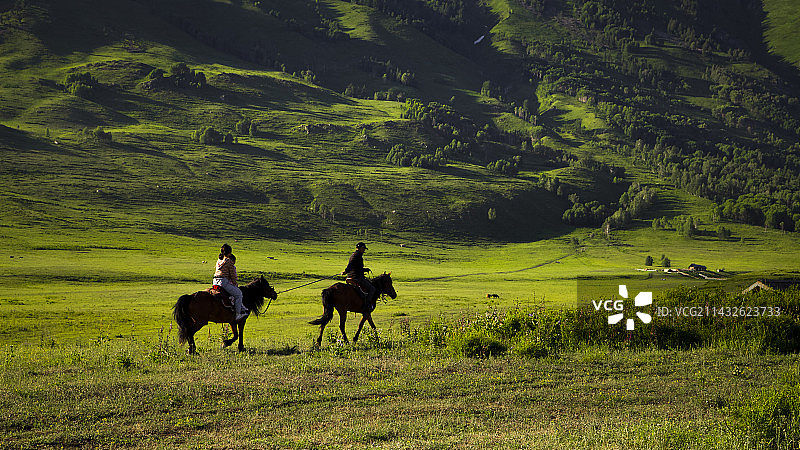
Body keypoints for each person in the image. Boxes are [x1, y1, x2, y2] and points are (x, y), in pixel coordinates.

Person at [213, 244, 248, 320]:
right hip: (223, 282)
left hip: (215, 281)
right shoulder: (229, 261)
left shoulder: (219, 260)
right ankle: (238, 314)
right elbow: (232, 275)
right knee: (239, 294)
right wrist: (235, 283)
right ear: (230, 253)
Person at [342, 242, 376, 312]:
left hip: (353, 275)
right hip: (357, 277)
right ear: (360, 248)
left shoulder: (355, 255)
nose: (364, 250)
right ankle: (367, 305)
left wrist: (365, 269)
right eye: (363, 248)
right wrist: (346, 271)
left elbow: (357, 267)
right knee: (372, 289)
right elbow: (350, 265)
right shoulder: (357, 255)